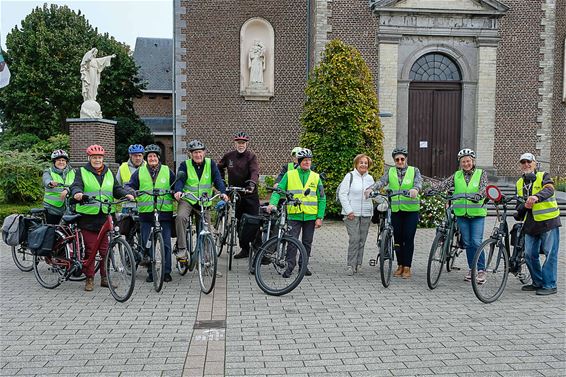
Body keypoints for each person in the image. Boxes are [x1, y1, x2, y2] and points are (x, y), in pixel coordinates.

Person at [70, 145, 134, 292]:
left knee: (105, 249)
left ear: (103, 158)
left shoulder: (109, 172)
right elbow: (76, 185)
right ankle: (89, 278)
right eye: (94, 157)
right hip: (88, 216)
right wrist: (77, 193)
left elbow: (115, 189)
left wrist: (125, 194)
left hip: (105, 215)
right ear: (89, 158)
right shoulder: (82, 172)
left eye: (99, 157)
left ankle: (105, 278)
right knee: (91, 249)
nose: (97, 160)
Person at [267, 148, 326, 276]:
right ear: (299, 161)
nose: (307, 162)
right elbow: (279, 191)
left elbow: (322, 198)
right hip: (294, 214)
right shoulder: (290, 174)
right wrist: (272, 203)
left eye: (309, 160)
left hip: (310, 215)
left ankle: (303, 266)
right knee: (292, 241)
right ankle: (289, 266)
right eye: (305, 160)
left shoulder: (316, 177)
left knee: (307, 242)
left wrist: (319, 217)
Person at [365, 147, 422, 278]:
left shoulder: (414, 171)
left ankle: (407, 267)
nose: (400, 161)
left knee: (408, 238)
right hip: (396, 210)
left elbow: (418, 183)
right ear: (394, 160)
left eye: (402, 159)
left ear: (406, 159)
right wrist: (370, 189)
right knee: (397, 238)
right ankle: (400, 265)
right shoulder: (390, 171)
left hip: (411, 211)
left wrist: (415, 190)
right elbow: (381, 182)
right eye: (397, 159)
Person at [433, 148, 488, 283]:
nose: (466, 164)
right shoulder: (457, 175)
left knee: (476, 242)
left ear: (473, 161)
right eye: (463, 161)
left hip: (477, 214)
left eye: (468, 161)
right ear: (460, 163)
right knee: (468, 243)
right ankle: (472, 269)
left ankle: (481, 270)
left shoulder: (481, 173)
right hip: (461, 214)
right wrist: (432, 189)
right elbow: (444, 184)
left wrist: (479, 195)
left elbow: (484, 188)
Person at [125, 144, 175, 283]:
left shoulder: (167, 171)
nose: (152, 158)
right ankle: (151, 272)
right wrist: (131, 192)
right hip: (146, 214)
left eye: (154, 156)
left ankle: (166, 272)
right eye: (150, 156)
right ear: (146, 158)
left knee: (165, 243)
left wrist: (176, 192)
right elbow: (129, 185)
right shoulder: (139, 172)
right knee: (147, 243)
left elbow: (176, 184)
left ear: (158, 158)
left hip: (163, 213)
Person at [515, 152, 561, 296]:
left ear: (535, 163)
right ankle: (538, 282)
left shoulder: (543, 176)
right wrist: (522, 209)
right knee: (529, 254)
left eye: (529, 162)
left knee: (550, 254)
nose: (526, 165)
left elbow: (549, 189)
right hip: (531, 224)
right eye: (523, 162)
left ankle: (550, 285)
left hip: (548, 221)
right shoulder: (519, 183)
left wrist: (536, 197)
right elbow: (519, 206)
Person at [174, 140, 228, 261]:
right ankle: (182, 249)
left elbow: (218, 179)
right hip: (188, 200)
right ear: (190, 154)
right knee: (181, 217)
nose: (198, 155)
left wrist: (223, 192)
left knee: (206, 230)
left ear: (204, 152)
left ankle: (207, 261)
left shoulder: (211, 164)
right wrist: (178, 190)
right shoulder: (185, 165)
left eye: (200, 152)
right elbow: (180, 180)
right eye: (195, 153)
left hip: (204, 202)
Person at [218, 131, 260, 259]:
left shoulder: (251, 156)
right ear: (235, 143)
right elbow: (218, 167)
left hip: (249, 193)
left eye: (243, 143)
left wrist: (252, 184)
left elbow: (254, 171)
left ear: (246, 144)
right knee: (239, 221)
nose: (241, 145)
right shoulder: (229, 156)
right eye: (238, 143)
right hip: (235, 193)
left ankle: (258, 248)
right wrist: (222, 182)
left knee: (254, 221)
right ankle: (244, 248)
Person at [339, 154, 375, 276]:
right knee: (354, 239)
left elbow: (374, 194)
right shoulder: (349, 176)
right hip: (351, 214)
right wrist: (349, 210)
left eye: (365, 163)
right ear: (356, 164)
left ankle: (358, 264)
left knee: (362, 240)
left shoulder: (370, 178)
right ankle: (350, 265)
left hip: (366, 213)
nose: (363, 165)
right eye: (361, 162)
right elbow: (342, 194)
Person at [42, 149, 75, 225]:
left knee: (69, 231)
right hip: (52, 208)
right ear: (54, 162)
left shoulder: (73, 172)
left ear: (66, 162)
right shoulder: (48, 171)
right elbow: (46, 180)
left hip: (69, 207)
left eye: (63, 160)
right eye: (58, 160)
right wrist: (50, 183)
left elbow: (76, 184)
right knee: (52, 229)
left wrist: (67, 190)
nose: (61, 162)